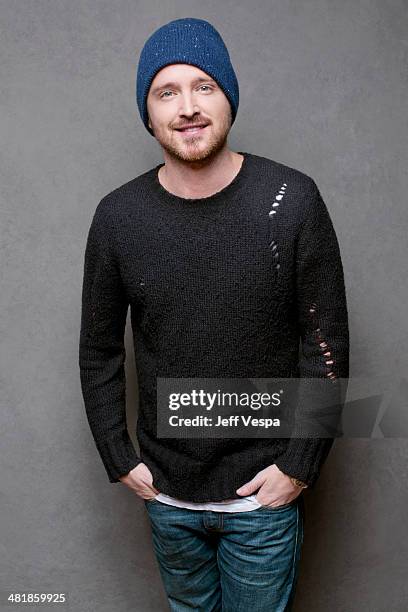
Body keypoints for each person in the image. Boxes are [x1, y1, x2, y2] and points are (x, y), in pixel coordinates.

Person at [79, 17, 350, 612]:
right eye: (166, 91)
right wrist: (118, 456)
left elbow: (325, 345)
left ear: (228, 97)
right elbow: (98, 349)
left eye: (204, 86)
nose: (188, 107)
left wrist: (298, 467)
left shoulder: (291, 200)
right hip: (168, 500)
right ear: (147, 113)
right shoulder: (118, 217)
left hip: (262, 500)